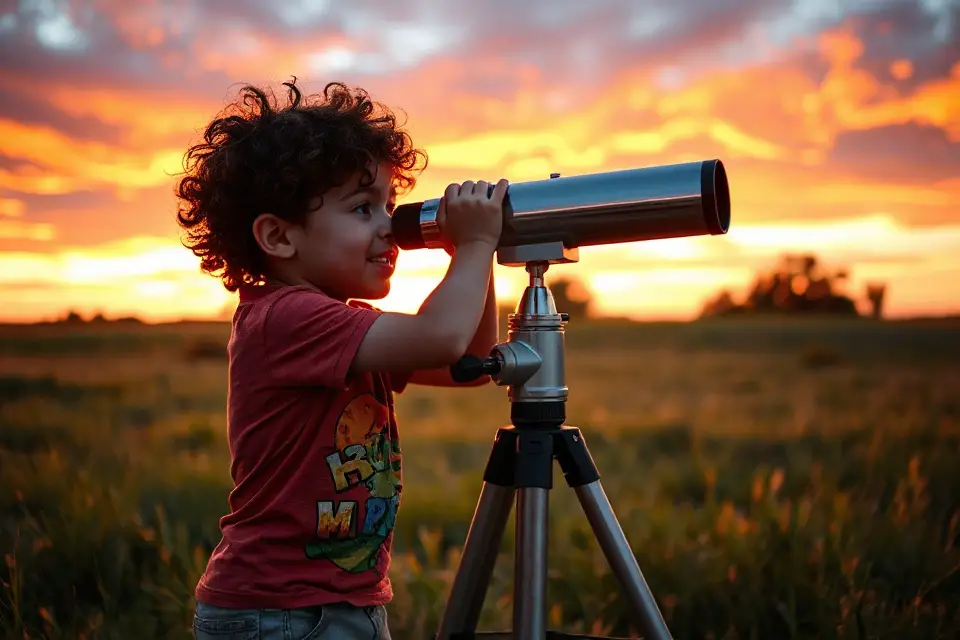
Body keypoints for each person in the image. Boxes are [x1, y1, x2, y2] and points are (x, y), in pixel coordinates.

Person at [175, 78, 507, 640]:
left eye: (389, 206)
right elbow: (441, 338)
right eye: (362, 208)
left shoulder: (341, 325)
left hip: (330, 604)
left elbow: (468, 362)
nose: (389, 227)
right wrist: (475, 246)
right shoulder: (288, 319)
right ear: (279, 236)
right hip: (282, 613)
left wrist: (477, 256)